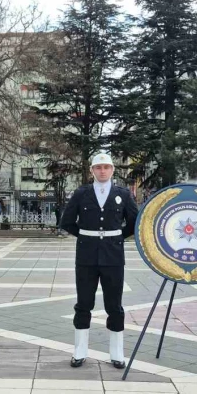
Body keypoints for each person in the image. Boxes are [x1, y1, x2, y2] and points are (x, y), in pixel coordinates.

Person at [60, 154, 138, 369]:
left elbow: (135, 221)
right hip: (86, 256)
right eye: (98, 167)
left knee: (114, 305)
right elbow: (67, 221)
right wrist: (86, 236)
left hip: (113, 256)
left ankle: (117, 353)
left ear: (112, 170)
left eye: (106, 167)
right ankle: (79, 351)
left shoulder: (123, 194)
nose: (102, 171)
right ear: (92, 170)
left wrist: (117, 237)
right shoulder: (81, 193)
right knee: (84, 303)